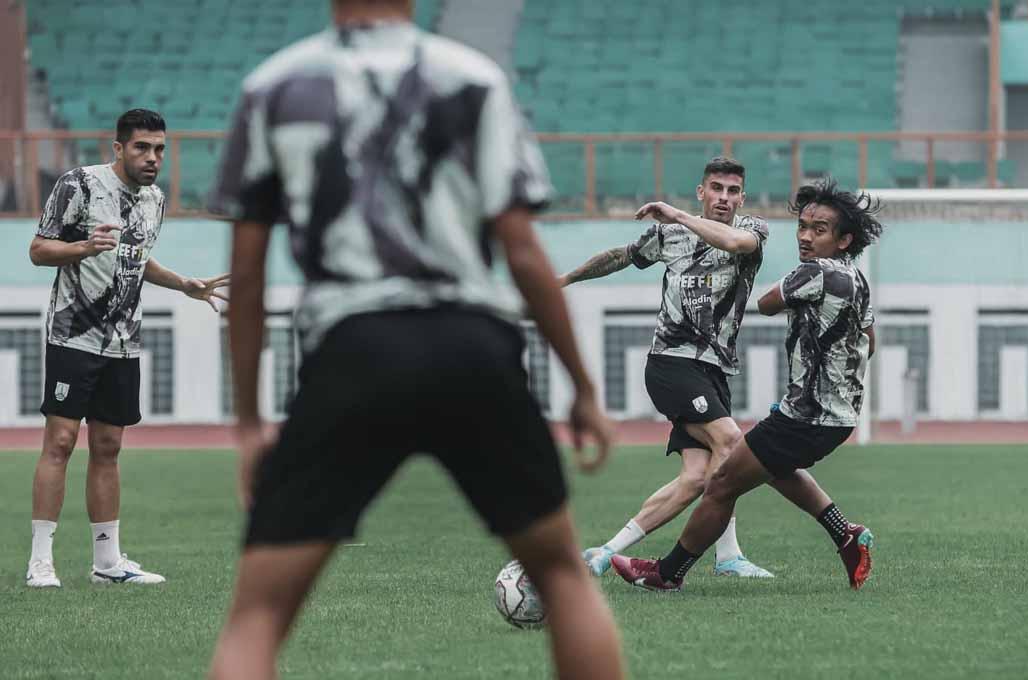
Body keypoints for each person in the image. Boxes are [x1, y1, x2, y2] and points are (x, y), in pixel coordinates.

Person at [205, 1, 625, 678]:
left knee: (257, 614)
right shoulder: (474, 77)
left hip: (352, 351)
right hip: (472, 345)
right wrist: (583, 388)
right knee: (562, 576)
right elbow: (521, 250)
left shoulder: (275, 85)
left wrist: (250, 422)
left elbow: (247, 274)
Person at [609, 178, 883, 592]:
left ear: (844, 240)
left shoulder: (814, 273)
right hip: (838, 416)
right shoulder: (859, 281)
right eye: (803, 226)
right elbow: (870, 340)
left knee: (721, 483)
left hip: (806, 416)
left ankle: (666, 574)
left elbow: (766, 303)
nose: (806, 237)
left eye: (819, 230)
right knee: (772, 467)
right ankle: (845, 534)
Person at [25, 109, 229, 588]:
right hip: (72, 335)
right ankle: (40, 562)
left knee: (109, 446)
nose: (152, 157)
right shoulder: (79, 185)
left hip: (122, 342)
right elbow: (37, 249)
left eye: (159, 149)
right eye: (142, 147)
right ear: (118, 148)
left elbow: (136, 258)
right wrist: (82, 249)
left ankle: (107, 563)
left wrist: (184, 284)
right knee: (59, 443)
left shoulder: (154, 199)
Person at [560, 157, 774, 579]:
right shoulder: (669, 236)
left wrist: (676, 214)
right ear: (702, 191)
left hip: (715, 369)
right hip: (672, 363)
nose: (724, 198)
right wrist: (563, 279)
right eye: (716, 188)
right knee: (731, 442)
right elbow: (620, 257)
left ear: (742, 198)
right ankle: (717, 557)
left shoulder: (753, 231)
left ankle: (606, 552)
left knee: (698, 477)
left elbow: (734, 245)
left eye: (732, 191)